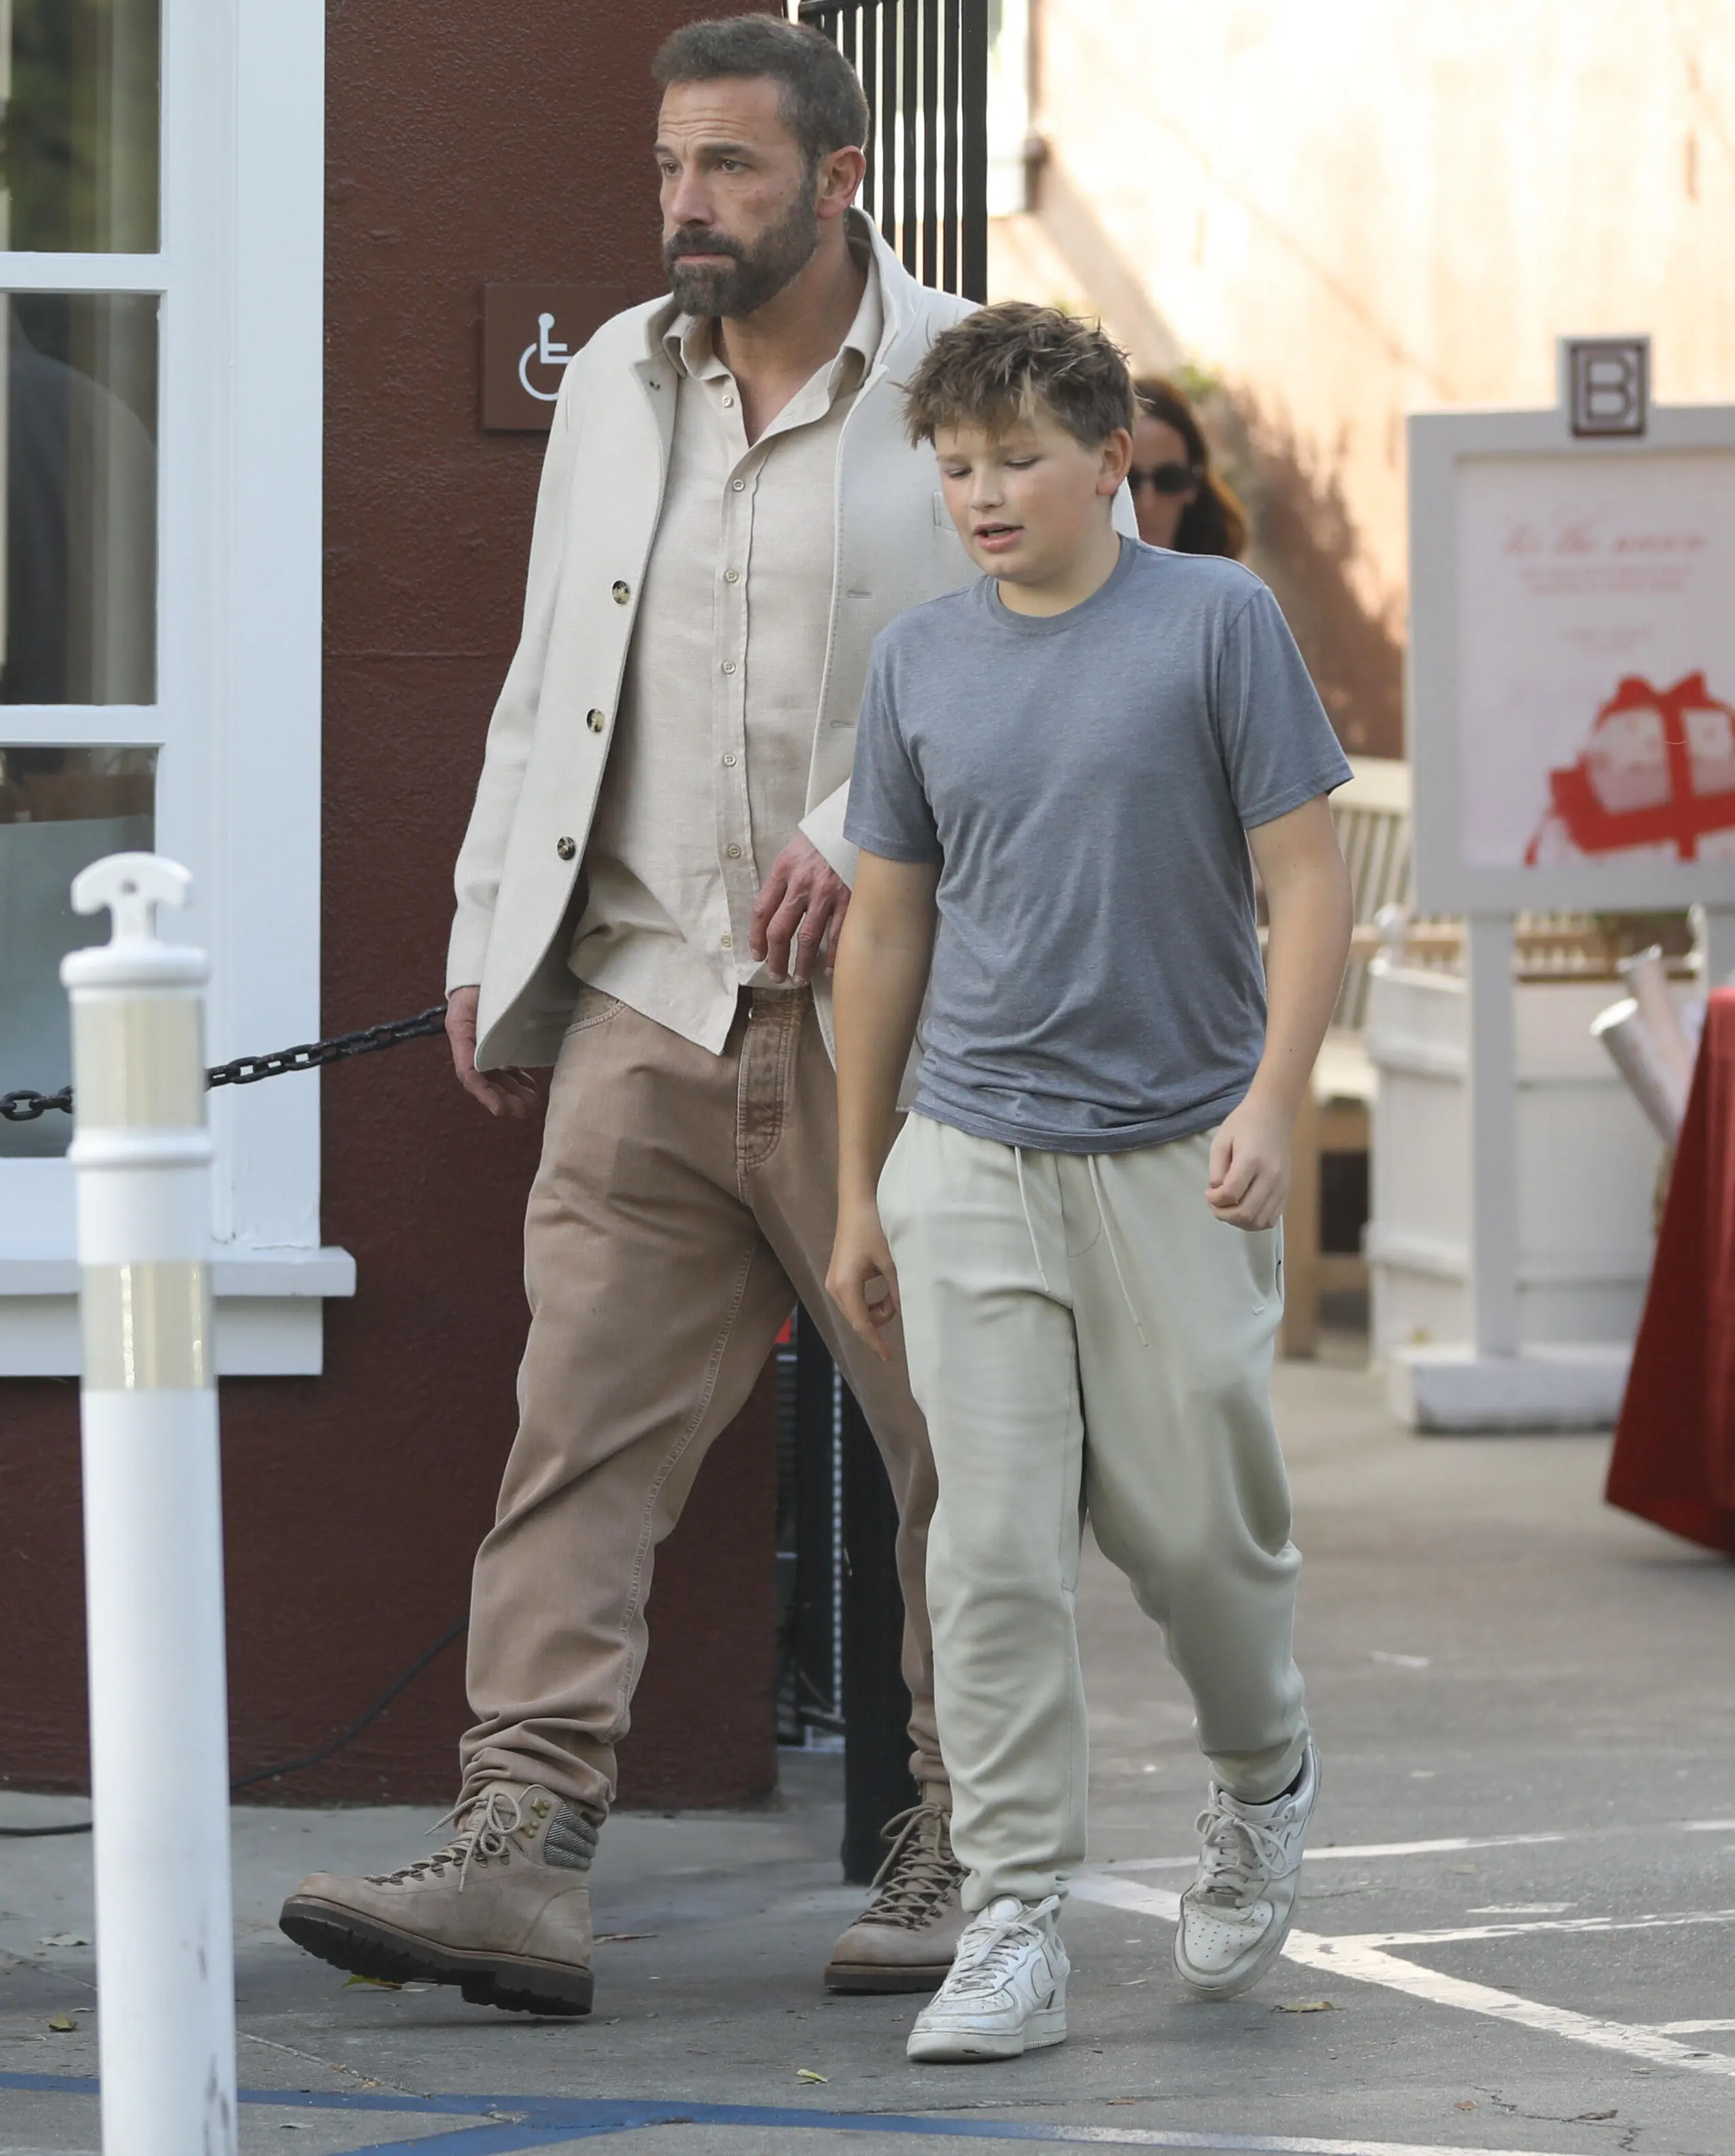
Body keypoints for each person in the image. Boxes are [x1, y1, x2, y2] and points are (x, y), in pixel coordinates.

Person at [278, 14, 1000, 2019]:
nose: (688, 205)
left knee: (965, 1448)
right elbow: (550, 673)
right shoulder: (613, 374)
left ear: (841, 180)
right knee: (577, 1439)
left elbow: (1042, 655)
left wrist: (868, 824)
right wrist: (487, 924)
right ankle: (520, 1852)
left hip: (897, 1032)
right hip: (641, 1006)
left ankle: (975, 1846)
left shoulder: (965, 379)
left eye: (733, 173)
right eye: (671, 169)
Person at [826, 302, 1354, 2062]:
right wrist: (856, 1181)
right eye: (956, 467)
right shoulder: (915, 662)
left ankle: (1260, 1766)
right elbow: (884, 926)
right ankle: (1015, 1907)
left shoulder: (1215, 624)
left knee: (1194, 1528)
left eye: (1016, 461)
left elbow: (1305, 883)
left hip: (1177, 1148)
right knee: (984, 1543)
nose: (981, 495)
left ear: (1108, 459)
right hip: (969, 1145)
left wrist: (1276, 1100)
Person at [1128, 373, 1247, 558]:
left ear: (1193, 485)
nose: (1147, 504)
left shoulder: (1225, 583)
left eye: (1169, 480)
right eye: (1128, 481)